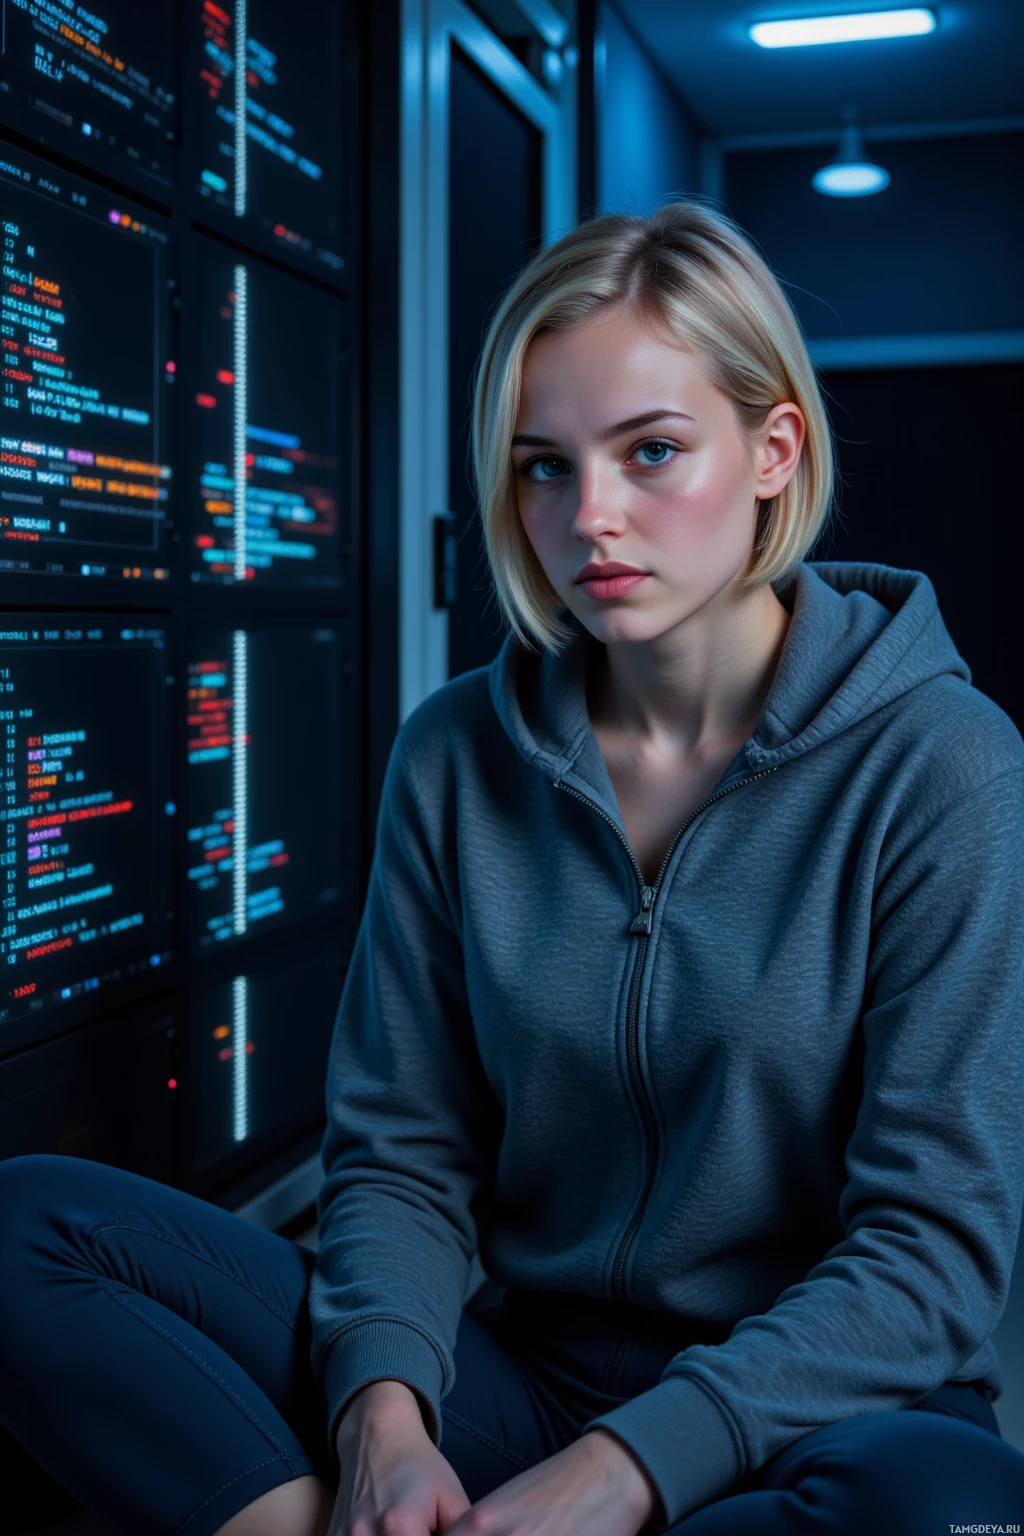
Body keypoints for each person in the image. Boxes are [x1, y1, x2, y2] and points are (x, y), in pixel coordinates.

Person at [2, 201, 1024, 1536]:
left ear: (774, 450)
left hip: (825, 1418)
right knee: (29, 1230)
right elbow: (401, 1152)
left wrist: (618, 1476)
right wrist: (383, 1419)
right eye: (545, 467)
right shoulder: (455, 755)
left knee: (941, 1507)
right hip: (527, 1384)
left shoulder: (944, 765)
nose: (591, 516)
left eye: (652, 452)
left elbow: (933, 1250)